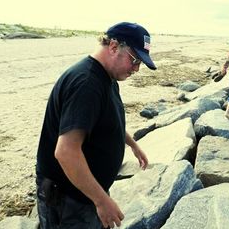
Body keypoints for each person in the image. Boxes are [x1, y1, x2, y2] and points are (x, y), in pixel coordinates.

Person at [36, 22, 156, 229]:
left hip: (87, 193)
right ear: (113, 47)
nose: (136, 69)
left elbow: (107, 121)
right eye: (134, 60)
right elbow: (66, 152)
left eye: (140, 63)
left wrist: (132, 144)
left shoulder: (108, 78)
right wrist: (102, 201)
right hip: (70, 199)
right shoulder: (86, 83)